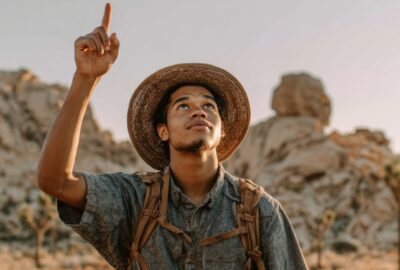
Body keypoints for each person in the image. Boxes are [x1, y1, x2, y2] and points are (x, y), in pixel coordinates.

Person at [37, 3, 308, 270]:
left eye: (209, 106)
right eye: (183, 106)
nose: (198, 112)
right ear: (162, 130)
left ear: (221, 129)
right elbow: (56, 181)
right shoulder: (133, 200)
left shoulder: (260, 211)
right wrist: (85, 79)